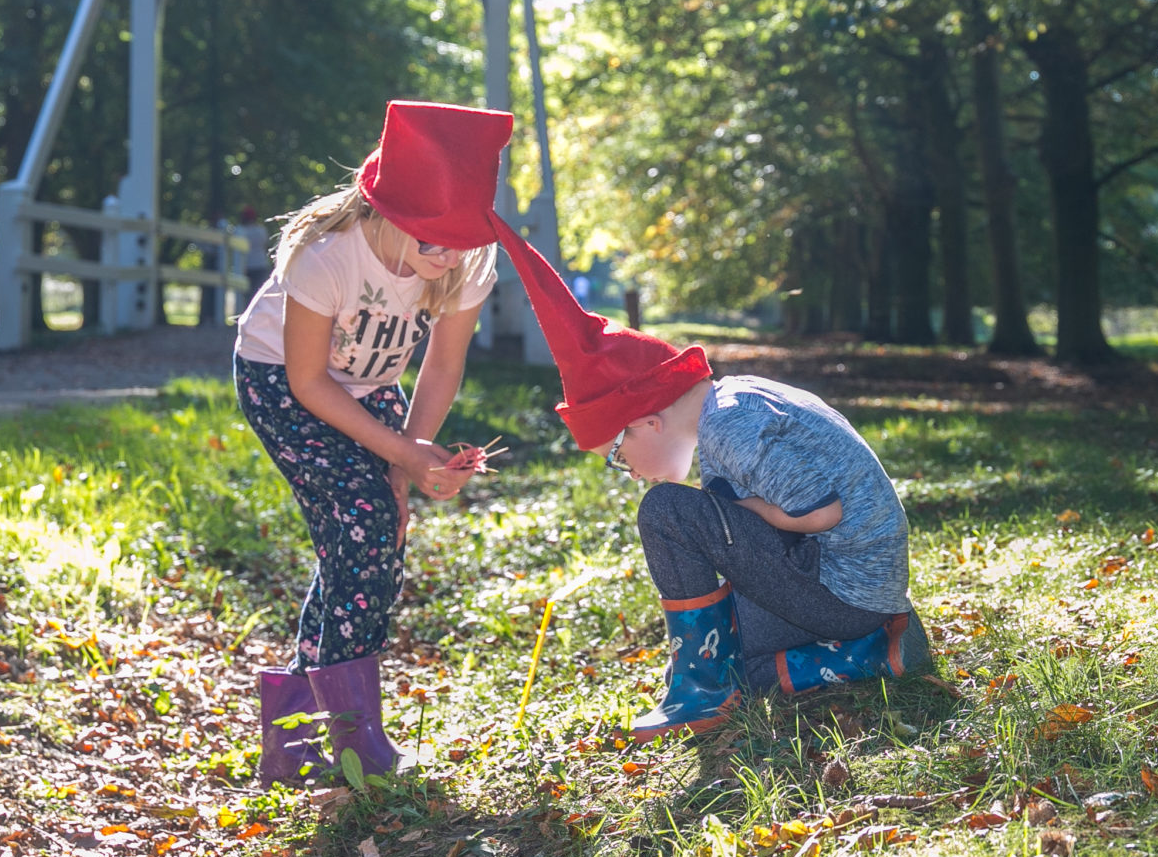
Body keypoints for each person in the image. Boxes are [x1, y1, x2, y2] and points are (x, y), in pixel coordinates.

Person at [485, 217, 933, 742]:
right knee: (718, 652)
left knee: (666, 510)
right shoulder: (729, 405)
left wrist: (749, 513)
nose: (627, 470)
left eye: (616, 453)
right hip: (850, 592)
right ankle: (880, 651)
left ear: (646, 422)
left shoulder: (730, 423)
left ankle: (705, 694)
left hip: (843, 587)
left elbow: (822, 511)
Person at [235, 101, 514, 786]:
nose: (445, 252)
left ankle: (293, 736)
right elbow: (308, 381)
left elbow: (442, 365)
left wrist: (416, 448)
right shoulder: (328, 257)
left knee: (371, 537)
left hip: (368, 386)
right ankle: (355, 742)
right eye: (431, 234)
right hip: (285, 382)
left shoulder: (467, 262)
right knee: (360, 524)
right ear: (386, 206)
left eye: (458, 235)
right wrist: (397, 454)